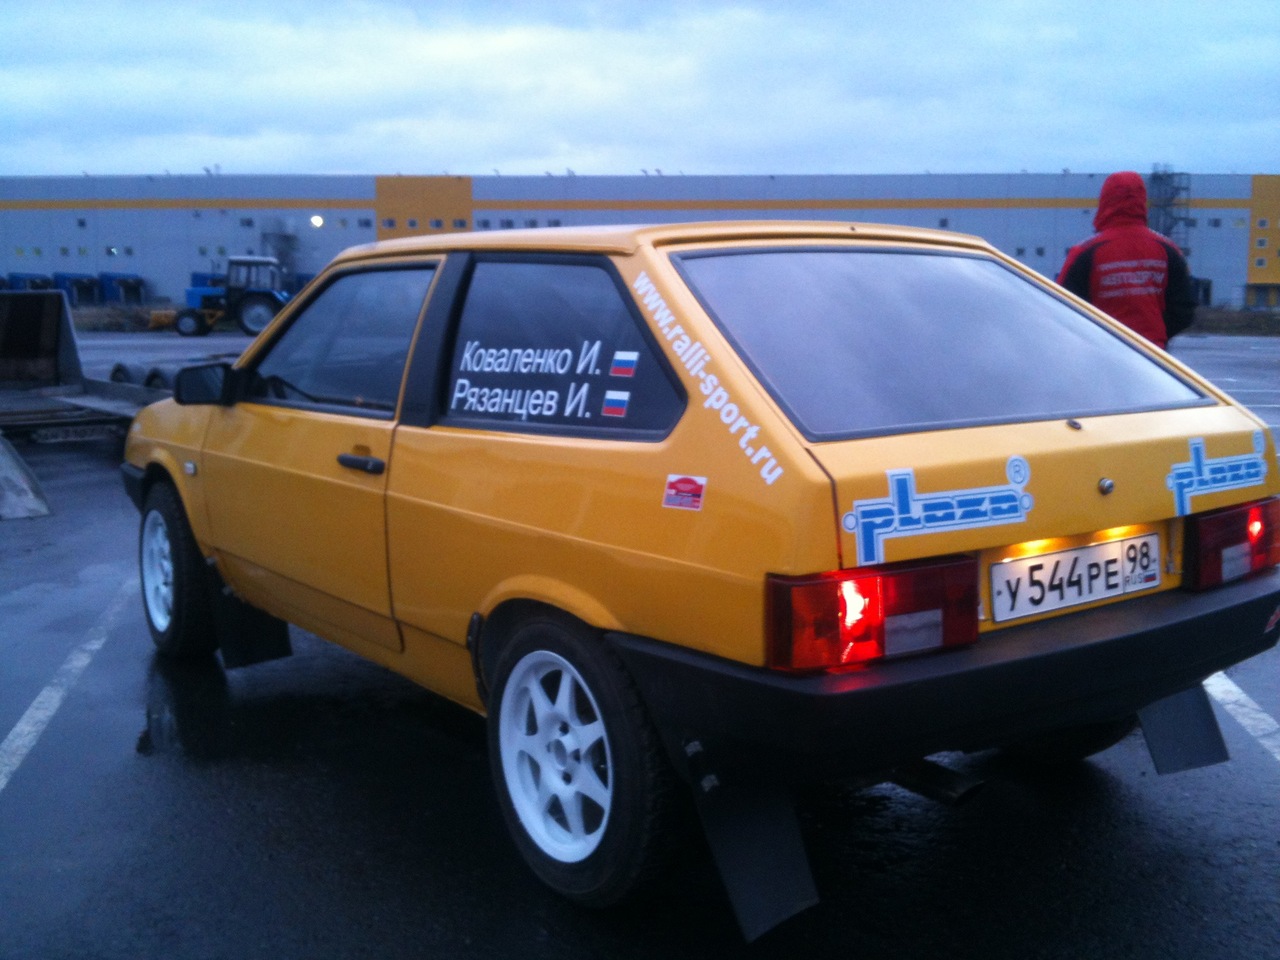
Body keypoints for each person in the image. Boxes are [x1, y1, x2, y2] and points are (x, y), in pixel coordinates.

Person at [1057, 171, 1196, 348]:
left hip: (1101, 351)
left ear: (1105, 200)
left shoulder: (1086, 252)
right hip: (1150, 353)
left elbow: (1062, 307)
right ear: (1142, 200)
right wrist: (1155, 334)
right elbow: (1184, 309)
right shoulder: (1168, 250)